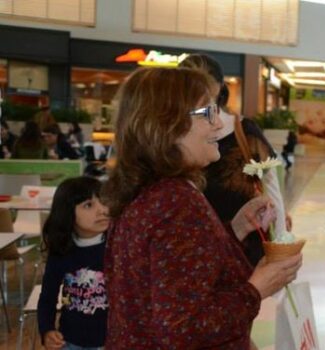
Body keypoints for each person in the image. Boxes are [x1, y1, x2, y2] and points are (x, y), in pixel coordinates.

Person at [102, 67, 302, 348]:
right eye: (207, 113)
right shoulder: (175, 203)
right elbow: (182, 330)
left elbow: (174, 277)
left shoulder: (149, 193)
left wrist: (235, 229)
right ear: (167, 125)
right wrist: (257, 288)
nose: (219, 124)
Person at [179, 53, 291, 266]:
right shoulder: (175, 141)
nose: (216, 125)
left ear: (219, 87)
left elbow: (271, 186)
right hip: (197, 256)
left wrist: (280, 242)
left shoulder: (244, 131)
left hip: (245, 251)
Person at [38, 176, 109, 350]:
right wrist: (47, 330)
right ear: (68, 213)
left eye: (104, 202)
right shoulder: (61, 252)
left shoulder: (119, 246)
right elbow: (48, 296)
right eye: (89, 205)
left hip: (113, 341)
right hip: (71, 342)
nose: (102, 210)